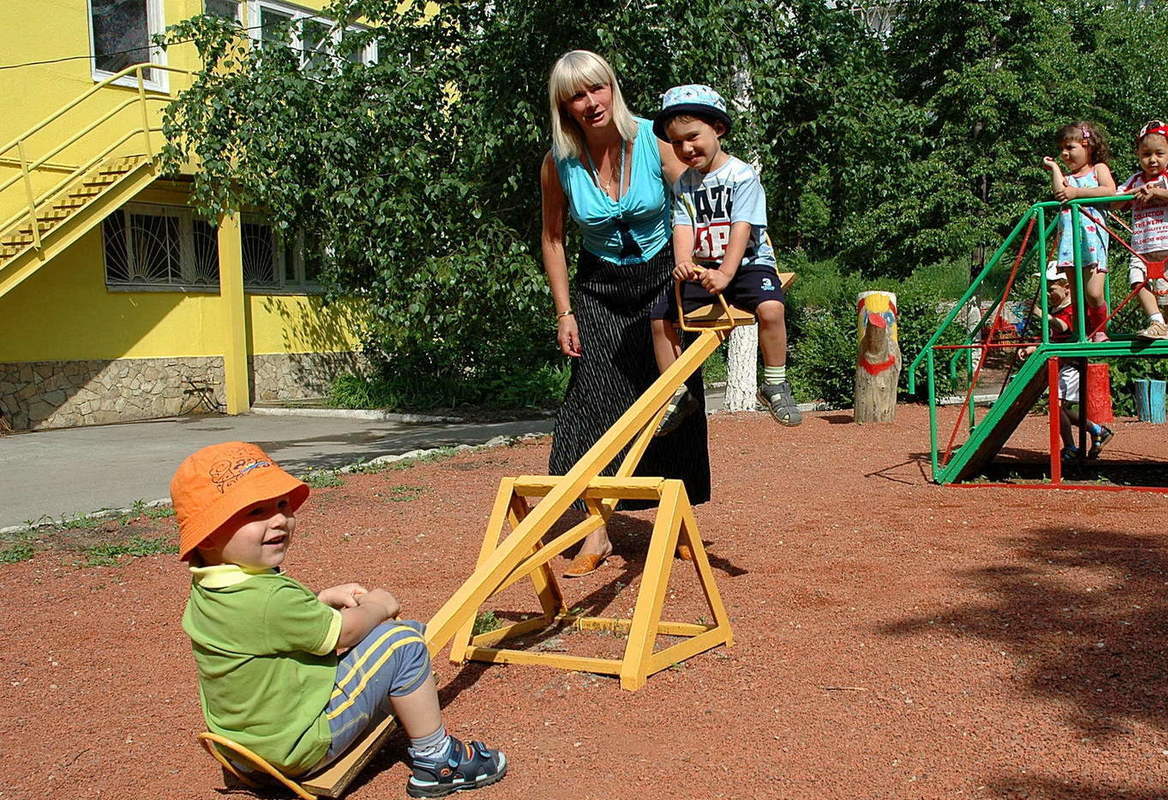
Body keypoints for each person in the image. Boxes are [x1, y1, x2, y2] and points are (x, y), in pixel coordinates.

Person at [173, 442, 507, 799]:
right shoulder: (270, 598)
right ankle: (437, 762)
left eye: (282, 505)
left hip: (243, 748)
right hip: (295, 748)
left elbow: (265, 628)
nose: (279, 520)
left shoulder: (211, 588)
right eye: (255, 511)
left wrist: (318, 601)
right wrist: (378, 605)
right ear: (207, 535)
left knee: (388, 643)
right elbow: (345, 632)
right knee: (403, 642)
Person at [540, 50, 711, 578]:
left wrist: (724, 269)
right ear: (563, 105)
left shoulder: (653, 141)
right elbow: (551, 238)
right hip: (598, 288)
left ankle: (676, 523)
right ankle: (597, 530)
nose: (590, 103)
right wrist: (564, 311)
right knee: (590, 405)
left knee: (673, 398)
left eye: (597, 89)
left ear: (611, 88)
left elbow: (703, 198)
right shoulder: (559, 162)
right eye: (576, 95)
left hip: (665, 280)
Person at [647, 84, 801, 431]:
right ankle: (676, 392)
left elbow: (741, 227)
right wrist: (684, 262)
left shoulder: (742, 175)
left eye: (692, 136)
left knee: (772, 308)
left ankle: (774, 382)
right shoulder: (684, 183)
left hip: (746, 264)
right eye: (676, 143)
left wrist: (727, 275)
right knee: (660, 316)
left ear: (717, 129)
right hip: (706, 268)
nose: (686, 148)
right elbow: (683, 225)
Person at [1020, 264, 1113, 460]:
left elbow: (1064, 328)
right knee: (1060, 408)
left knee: (1057, 405)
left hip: (1071, 365)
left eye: (1052, 288)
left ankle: (1073, 445)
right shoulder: (1059, 308)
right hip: (1064, 364)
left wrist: (1039, 313)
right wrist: (1033, 347)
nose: (1047, 292)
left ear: (1067, 287)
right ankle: (1095, 431)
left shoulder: (1074, 309)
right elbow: (1056, 339)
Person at [1116, 120, 1168, 340]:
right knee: (1136, 280)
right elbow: (1114, 201)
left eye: (1159, 153)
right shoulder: (1136, 180)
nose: (1152, 159)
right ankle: (1156, 321)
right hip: (1141, 244)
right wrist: (1139, 190)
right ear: (1138, 155)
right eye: (1146, 154)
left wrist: (1156, 192)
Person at [1041, 120, 1114, 342]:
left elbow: (1110, 191)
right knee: (1077, 294)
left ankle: (1100, 329)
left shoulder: (1098, 169)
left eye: (1070, 148)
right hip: (1070, 242)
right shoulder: (1068, 180)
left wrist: (1078, 194)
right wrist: (1054, 168)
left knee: (1093, 292)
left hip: (1092, 239)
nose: (1065, 153)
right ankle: (1081, 332)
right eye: (1061, 149)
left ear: (1088, 146)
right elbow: (1060, 193)